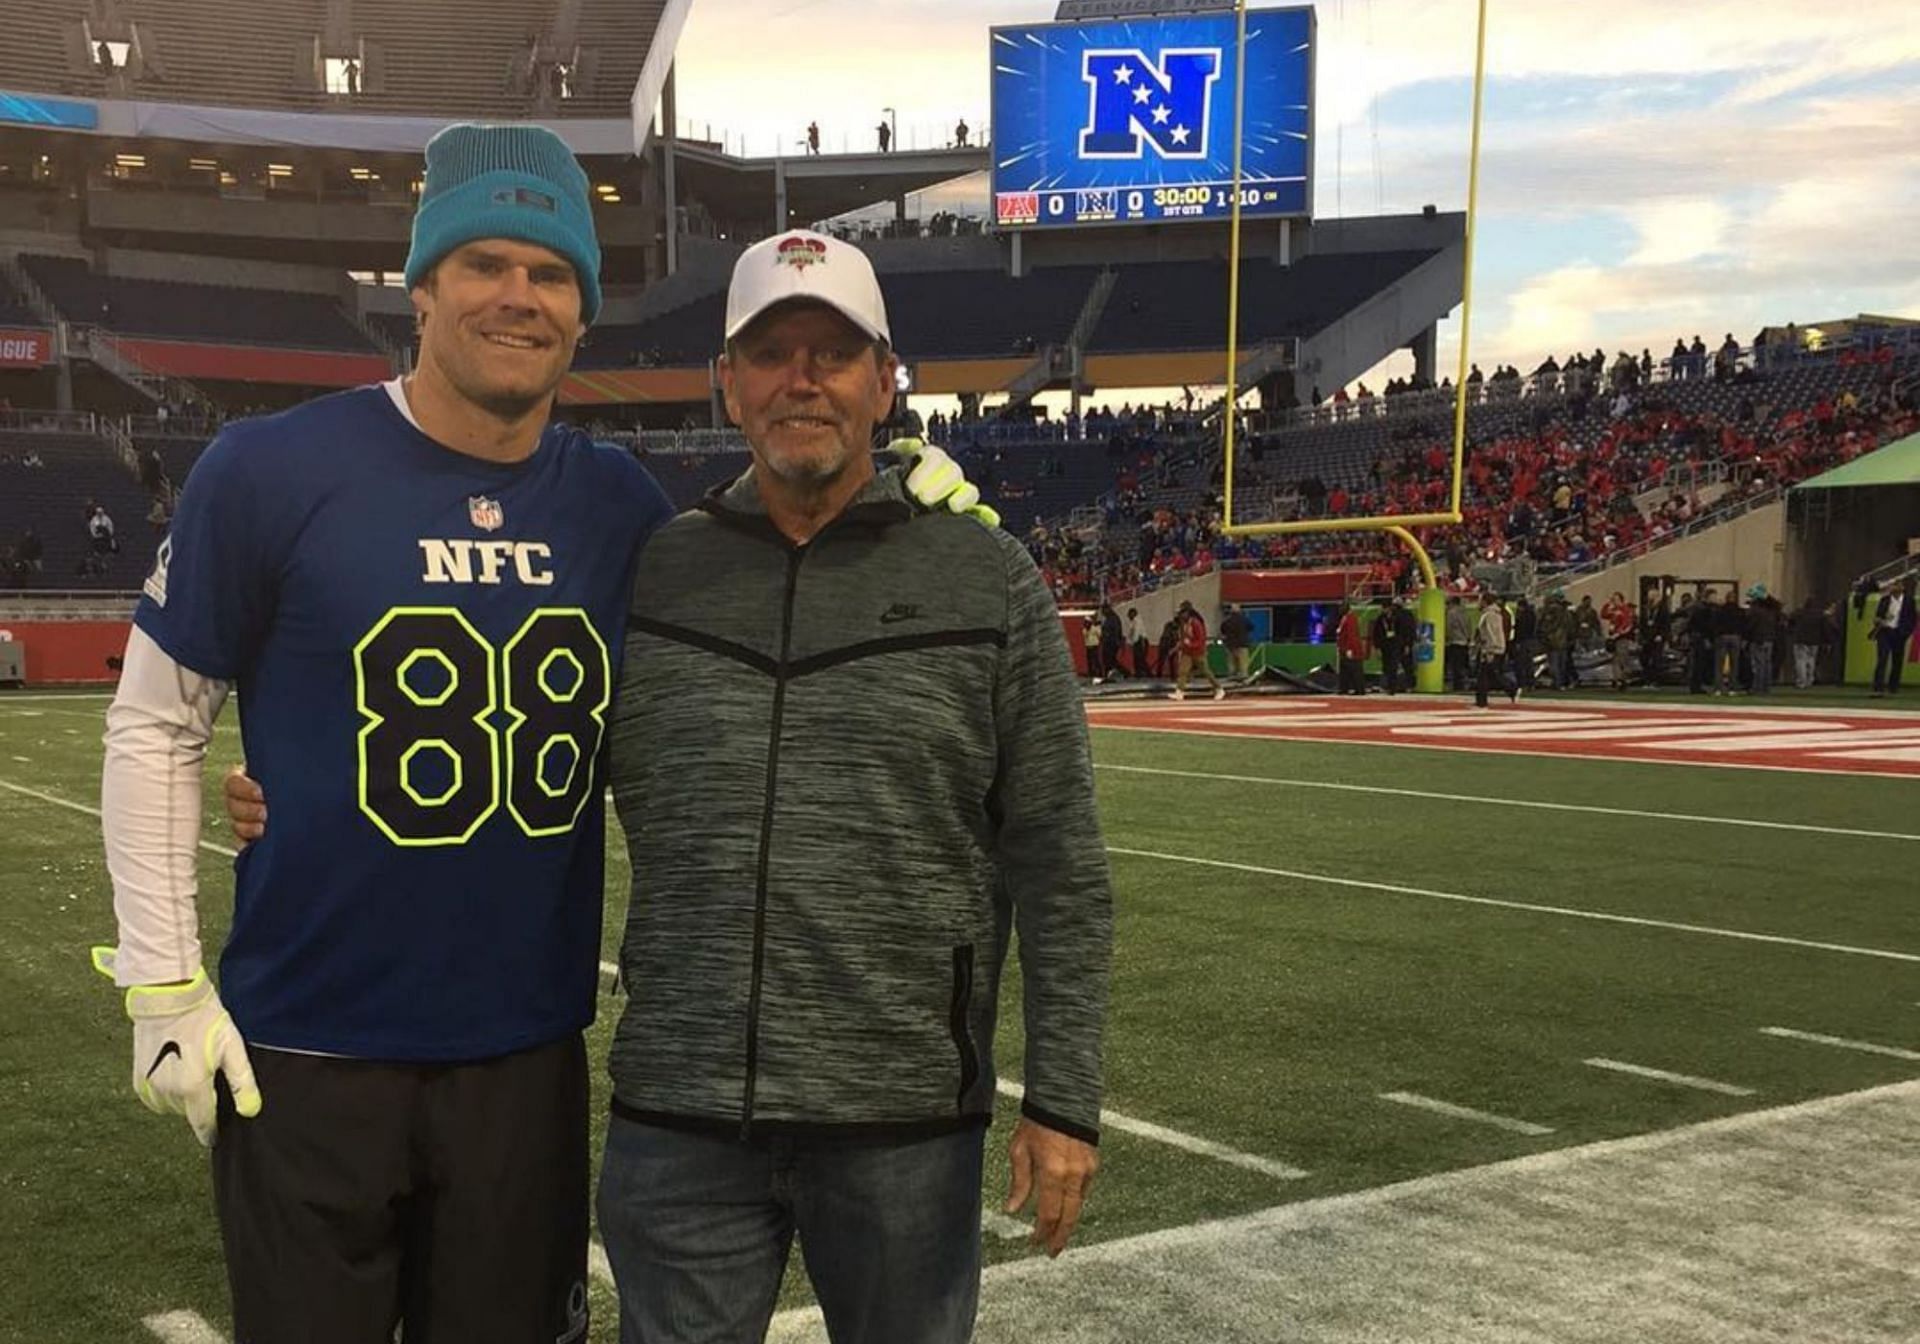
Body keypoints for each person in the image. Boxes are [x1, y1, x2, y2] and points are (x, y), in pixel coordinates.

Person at [105, 130, 984, 1344]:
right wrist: (161, 980)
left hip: (525, 1053)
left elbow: (760, 632)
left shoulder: (620, 508)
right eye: (485, 262)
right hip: (307, 1046)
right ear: (420, 287)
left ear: (582, 316)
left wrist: (909, 514)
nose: (519, 295)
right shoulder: (268, 469)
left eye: (553, 274)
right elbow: (156, 723)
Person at [593, 230, 1112, 1342]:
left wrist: (1063, 1100)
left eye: (834, 352)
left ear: (885, 382)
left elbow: (1060, 860)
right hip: (681, 1116)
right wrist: (310, 791)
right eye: (772, 351)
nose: (803, 378)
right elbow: (523, 779)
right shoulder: (653, 572)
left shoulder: (987, 577)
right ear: (727, 384)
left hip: (905, 1126)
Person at [1872, 577, 1917, 696]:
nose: (1895, 588)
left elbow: (1912, 619)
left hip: (1899, 633)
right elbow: (1877, 616)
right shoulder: (1885, 600)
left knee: (1897, 661)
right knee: (1882, 658)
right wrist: (1878, 621)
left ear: (1902, 588)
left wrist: (1906, 633)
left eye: (1898, 585)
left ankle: (1893, 687)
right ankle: (1878, 687)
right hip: (1885, 632)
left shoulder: (1908, 601)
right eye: (1893, 585)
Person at [1171, 599, 1223, 701]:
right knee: (1182, 671)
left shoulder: (1196, 623)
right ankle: (1179, 692)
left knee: (1206, 671)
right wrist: (1178, 647)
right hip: (1187, 652)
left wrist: (1190, 644)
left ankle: (1219, 688)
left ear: (1187, 613)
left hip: (1198, 652)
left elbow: (1201, 639)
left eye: (1182, 613)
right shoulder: (1183, 624)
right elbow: (1183, 638)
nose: (1180, 616)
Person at [1472, 590, 1513, 708]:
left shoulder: (1490, 615)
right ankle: (1509, 689)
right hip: (1492, 648)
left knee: (1486, 675)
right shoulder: (1492, 614)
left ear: (1485, 601)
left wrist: (1490, 650)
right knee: (1488, 675)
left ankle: (1510, 688)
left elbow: (1491, 634)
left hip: (1491, 649)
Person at [1790, 593, 1826, 689]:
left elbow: (1791, 620)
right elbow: (1824, 627)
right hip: (1814, 640)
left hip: (1800, 639)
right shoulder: (1820, 614)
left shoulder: (1799, 612)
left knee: (1800, 661)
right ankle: (1810, 680)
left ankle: (1801, 682)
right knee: (1811, 660)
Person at [1372, 597, 1405, 694]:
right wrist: (1377, 647)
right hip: (1385, 645)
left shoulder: (1397, 617)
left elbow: (1401, 631)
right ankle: (1388, 686)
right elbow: (1376, 633)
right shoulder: (1380, 619)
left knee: (1393, 666)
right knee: (1386, 666)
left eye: (1386, 608)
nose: (1384, 610)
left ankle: (1393, 687)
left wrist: (1402, 644)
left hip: (1395, 645)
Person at [1336, 600, 1367, 694]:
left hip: (1351, 649)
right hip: (1344, 648)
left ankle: (1359, 689)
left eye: (1341, 607)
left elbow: (1351, 634)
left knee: (1355, 669)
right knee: (1345, 669)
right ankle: (1344, 688)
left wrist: (1350, 649)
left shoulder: (1351, 618)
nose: (1339, 609)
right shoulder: (1345, 618)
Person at [1444, 596, 1471, 692]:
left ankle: (1457, 686)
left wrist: (1446, 638)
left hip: (1454, 641)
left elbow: (1449, 628)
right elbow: (1469, 627)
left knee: (1455, 666)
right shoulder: (1465, 613)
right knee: (1462, 666)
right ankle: (1462, 684)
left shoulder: (1451, 613)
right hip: (1464, 642)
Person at [1220, 602, 1253, 680]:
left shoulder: (1227, 621)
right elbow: (1251, 627)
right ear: (1240, 610)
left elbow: (1222, 629)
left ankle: (1232, 676)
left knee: (1231, 662)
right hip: (1242, 644)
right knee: (1243, 662)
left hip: (1230, 644)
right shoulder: (1244, 619)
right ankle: (1243, 677)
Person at [1127, 604, 1149, 677]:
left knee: (1140, 659)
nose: (1128, 616)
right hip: (1138, 641)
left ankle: (1146, 673)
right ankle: (1139, 673)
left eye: (1129, 614)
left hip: (1140, 641)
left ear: (1133, 614)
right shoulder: (1134, 621)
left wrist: (1132, 642)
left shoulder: (1137, 621)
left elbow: (1136, 633)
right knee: (1138, 659)